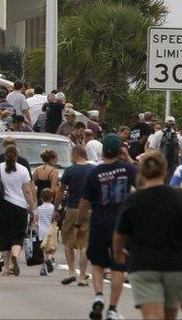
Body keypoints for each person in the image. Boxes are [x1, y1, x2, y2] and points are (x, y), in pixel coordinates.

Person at [113, 151, 182, 320]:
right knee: (170, 315)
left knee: (152, 315)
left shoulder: (133, 199)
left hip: (143, 263)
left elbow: (119, 234)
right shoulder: (179, 196)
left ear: (142, 172)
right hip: (174, 263)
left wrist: (118, 254)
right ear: (165, 170)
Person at [76, 134, 137, 320]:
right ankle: (112, 309)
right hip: (122, 225)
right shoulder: (128, 169)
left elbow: (85, 202)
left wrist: (79, 224)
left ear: (102, 152)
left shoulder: (94, 173)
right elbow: (142, 186)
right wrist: (127, 158)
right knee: (118, 266)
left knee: (97, 263)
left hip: (99, 223)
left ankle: (99, 296)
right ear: (120, 150)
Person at [0, 145, 36, 276]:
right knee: (18, 236)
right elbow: (28, 191)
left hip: (2, 207)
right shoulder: (24, 170)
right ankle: (15, 257)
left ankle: (6, 268)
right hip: (19, 208)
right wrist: (32, 208)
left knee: (4, 237)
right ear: (17, 155)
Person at [56, 145, 93, 286]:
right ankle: (82, 276)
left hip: (72, 208)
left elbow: (61, 191)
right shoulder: (93, 170)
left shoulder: (70, 171)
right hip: (90, 209)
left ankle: (71, 271)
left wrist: (56, 208)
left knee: (68, 241)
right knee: (85, 244)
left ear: (76, 155)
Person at [36, 188, 57, 276]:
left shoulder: (39, 208)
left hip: (41, 231)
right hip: (51, 230)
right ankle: (50, 258)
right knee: (52, 248)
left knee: (43, 250)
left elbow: (36, 218)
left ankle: (42, 269)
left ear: (41, 198)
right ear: (52, 198)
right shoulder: (53, 208)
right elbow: (55, 218)